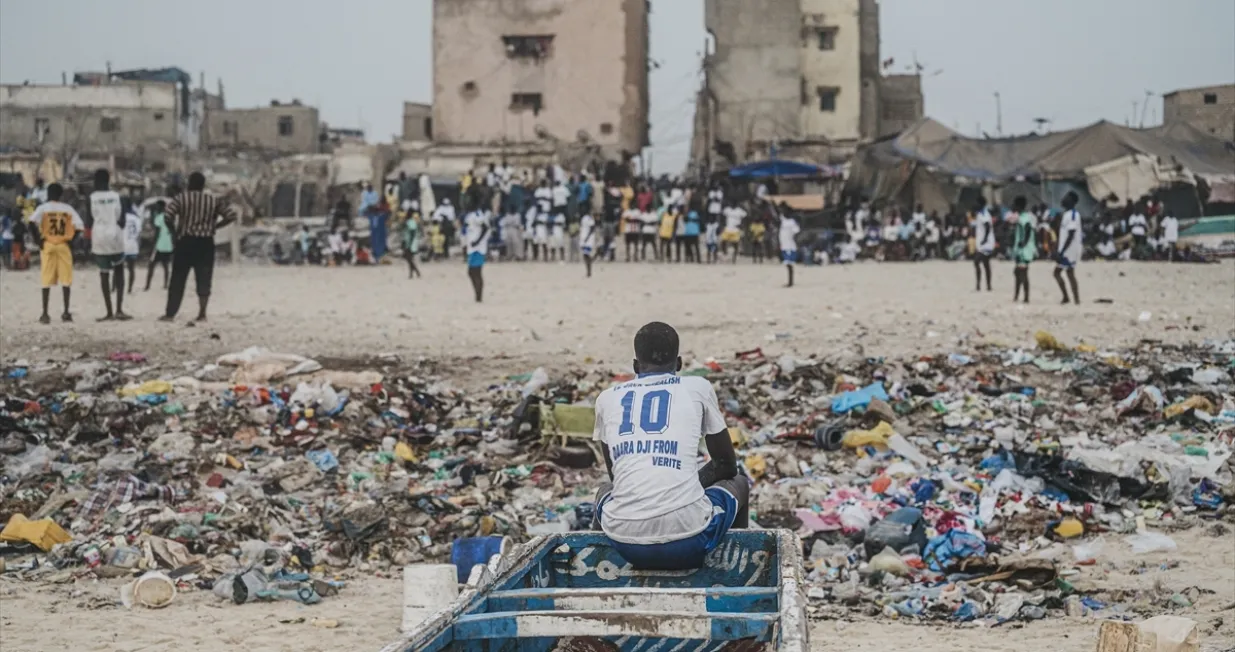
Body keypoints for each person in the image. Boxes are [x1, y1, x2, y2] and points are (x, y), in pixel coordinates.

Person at [590, 322, 749, 571]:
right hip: (689, 540)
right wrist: (685, 488)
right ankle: (738, 569)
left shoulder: (607, 399)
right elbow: (726, 466)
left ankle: (600, 572)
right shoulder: (698, 387)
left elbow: (616, 477)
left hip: (625, 542)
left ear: (635, 366)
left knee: (605, 490)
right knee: (739, 483)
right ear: (679, 364)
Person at [160, 171, 237, 324]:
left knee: (178, 279)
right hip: (205, 242)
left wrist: (174, 234)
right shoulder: (212, 200)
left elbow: (168, 216)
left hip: (185, 241)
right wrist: (215, 226)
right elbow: (230, 216)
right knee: (204, 277)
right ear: (203, 185)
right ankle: (202, 313)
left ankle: (170, 314)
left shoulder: (181, 198)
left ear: (189, 184)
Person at [27, 183, 84, 323]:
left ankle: (45, 313)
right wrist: (71, 241)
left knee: (46, 278)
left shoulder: (43, 208)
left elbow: (31, 222)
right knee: (66, 279)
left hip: (48, 244)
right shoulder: (68, 209)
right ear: (61, 195)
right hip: (63, 245)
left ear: (48, 194)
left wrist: (38, 241)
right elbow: (80, 226)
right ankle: (65, 312)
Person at [88, 169, 129, 321]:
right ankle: (119, 309)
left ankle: (109, 311)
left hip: (99, 237)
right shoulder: (118, 197)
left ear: (95, 181)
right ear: (108, 180)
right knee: (119, 271)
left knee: (104, 273)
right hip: (115, 235)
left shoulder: (91, 198)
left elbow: (88, 220)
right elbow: (123, 221)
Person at [1054, 192, 1083, 305]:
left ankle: (1072, 298)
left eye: (1066, 198)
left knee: (1060, 273)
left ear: (1072, 201)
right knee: (1068, 273)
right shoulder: (1066, 214)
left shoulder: (1073, 215)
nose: (1063, 199)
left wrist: (1061, 251)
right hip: (1067, 249)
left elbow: (1071, 235)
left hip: (1070, 250)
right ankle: (1073, 298)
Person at [143, 200, 175, 290]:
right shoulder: (170, 217)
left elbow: (157, 232)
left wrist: (154, 243)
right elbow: (173, 232)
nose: (156, 208)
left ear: (160, 207)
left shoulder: (159, 217)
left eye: (157, 206)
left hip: (159, 245)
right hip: (168, 245)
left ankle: (147, 285)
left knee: (151, 265)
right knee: (165, 265)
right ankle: (166, 284)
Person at [1011, 196, 1035, 303]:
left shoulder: (1024, 218)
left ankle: (1025, 297)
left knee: (1023, 274)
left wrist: (1024, 242)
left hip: (1024, 250)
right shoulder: (1022, 216)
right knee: (1017, 273)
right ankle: (1017, 295)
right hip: (1021, 250)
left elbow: (1028, 228)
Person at [464, 209, 489, 302]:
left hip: (478, 249)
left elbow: (485, 228)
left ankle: (479, 296)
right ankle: (477, 295)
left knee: (475, 272)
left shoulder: (478, 214)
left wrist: (478, 241)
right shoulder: (469, 215)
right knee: (472, 273)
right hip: (471, 248)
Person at [973, 197, 995, 291]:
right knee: (986, 264)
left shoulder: (984, 214)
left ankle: (978, 285)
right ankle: (988, 285)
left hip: (986, 243)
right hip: (982, 243)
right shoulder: (980, 213)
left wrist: (985, 239)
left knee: (977, 261)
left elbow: (987, 226)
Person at [122, 199, 143, 294]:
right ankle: (129, 289)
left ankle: (115, 287)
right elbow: (139, 234)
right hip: (133, 246)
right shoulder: (136, 218)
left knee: (118, 269)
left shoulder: (121, 217)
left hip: (122, 246)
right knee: (131, 269)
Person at [778, 209, 801, 288]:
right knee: (788, 265)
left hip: (789, 246)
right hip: (785, 246)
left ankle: (790, 282)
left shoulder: (791, 222)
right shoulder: (785, 220)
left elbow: (797, 232)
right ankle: (790, 281)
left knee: (789, 265)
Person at [403, 209, 422, 279]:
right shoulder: (411, 222)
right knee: (409, 258)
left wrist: (409, 243)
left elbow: (412, 232)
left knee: (409, 258)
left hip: (411, 243)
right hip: (409, 242)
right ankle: (412, 273)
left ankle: (416, 272)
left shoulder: (410, 222)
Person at [579, 210, 598, 278]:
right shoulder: (583, 218)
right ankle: (594, 259)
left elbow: (592, 228)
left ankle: (589, 271)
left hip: (588, 239)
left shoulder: (589, 218)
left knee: (586, 255)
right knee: (585, 256)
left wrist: (587, 238)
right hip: (583, 238)